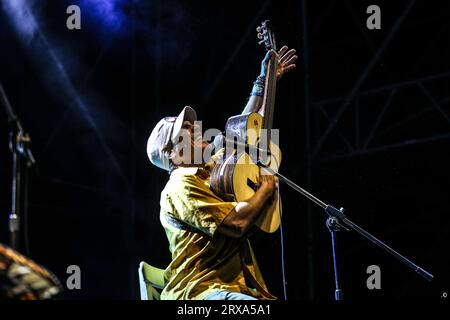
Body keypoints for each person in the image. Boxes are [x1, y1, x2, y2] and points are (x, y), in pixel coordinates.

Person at [146, 46, 297, 300]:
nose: (195, 127)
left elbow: (243, 130)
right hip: (199, 293)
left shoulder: (209, 170)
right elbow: (236, 224)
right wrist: (266, 189)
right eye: (186, 128)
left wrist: (266, 81)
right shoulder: (180, 185)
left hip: (235, 288)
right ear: (173, 153)